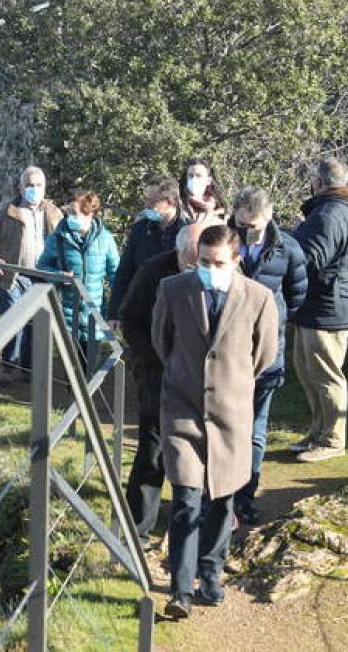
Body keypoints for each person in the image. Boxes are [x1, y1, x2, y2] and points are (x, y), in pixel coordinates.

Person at [152, 225, 279, 618]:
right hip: (183, 410)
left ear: (236, 260)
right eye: (203, 262)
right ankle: (180, 591)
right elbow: (161, 342)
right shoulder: (173, 290)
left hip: (231, 415)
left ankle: (211, 575)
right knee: (186, 500)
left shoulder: (259, 298)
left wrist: (232, 384)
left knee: (223, 500)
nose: (210, 269)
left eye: (218, 263)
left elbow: (264, 354)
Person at [119, 221, 216, 547]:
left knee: (199, 450)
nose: (198, 266)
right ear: (178, 251)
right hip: (157, 374)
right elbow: (130, 319)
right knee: (153, 448)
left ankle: (192, 526)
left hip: (202, 379)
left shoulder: (219, 272)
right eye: (192, 258)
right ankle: (137, 529)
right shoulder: (153, 272)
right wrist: (155, 358)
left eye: (202, 259)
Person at [227, 186, 307, 525]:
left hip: (266, 352)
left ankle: (245, 497)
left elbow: (297, 295)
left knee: (255, 430)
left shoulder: (288, 249)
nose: (248, 231)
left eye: (254, 225)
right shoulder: (222, 242)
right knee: (225, 427)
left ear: (269, 216)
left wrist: (272, 319)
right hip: (227, 352)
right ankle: (220, 498)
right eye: (242, 224)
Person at [288, 156, 348, 463]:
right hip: (322, 303)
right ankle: (318, 432)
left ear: (319, 183)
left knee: (326, 375)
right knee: (308, 371)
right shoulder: (344, 211)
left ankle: (333, 439)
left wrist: (289, 243)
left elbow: (311, 258)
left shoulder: (328, 215)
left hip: (328, 304)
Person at [0, 166, 64, 374]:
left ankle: (28, 370)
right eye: (29, 185)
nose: (34, 189)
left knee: (37, 323)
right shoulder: (4, 211)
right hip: (14, 275)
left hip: (44, 277)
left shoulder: (54, 213)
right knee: (13, 322)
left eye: (38, 185)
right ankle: (8, 367)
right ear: (21, 188)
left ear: (44, 188)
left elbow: (67, 242)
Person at [36, 190, 120, 348]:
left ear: (90, 214)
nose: (70, 218)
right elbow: (41, 267)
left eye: (74, 213)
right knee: (72, 361)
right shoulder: (57, 238)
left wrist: (115, 311)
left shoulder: (105, 239)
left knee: (91, 361)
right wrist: (59, 275)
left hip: (95, 317)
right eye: (68, 212)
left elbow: (116, 275)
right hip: (67, 318)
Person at [108, 174, 187, 328]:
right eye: (146, 200)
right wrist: (115, 312)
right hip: (142, 313)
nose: (146, 205)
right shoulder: (140, 230)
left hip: (176, 314)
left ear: (171, 202)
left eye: (152, 201)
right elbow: (124, 272)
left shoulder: (188, 232)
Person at [181, 156, 228, 224]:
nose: (194, 179)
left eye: (198, 175)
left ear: (208, 180)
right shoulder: (179, 205)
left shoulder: (219, 207)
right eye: (190, 175)